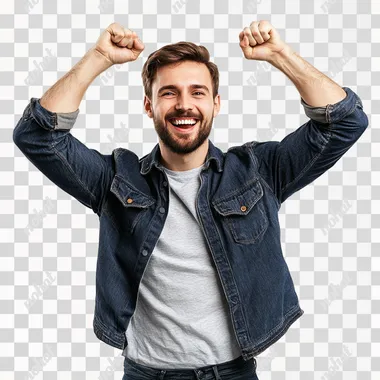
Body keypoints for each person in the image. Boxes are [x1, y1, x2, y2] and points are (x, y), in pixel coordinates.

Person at [13, 21, 368, 380]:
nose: (184, 105)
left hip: (233, 373)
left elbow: (345, 122)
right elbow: (37, 136)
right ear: (149, 106)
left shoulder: (257, 172)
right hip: (145, 374)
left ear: (215, 104)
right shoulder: (116, 181)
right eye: (169, 93)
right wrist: (99, 57)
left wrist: (280, 55)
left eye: (197, 92)